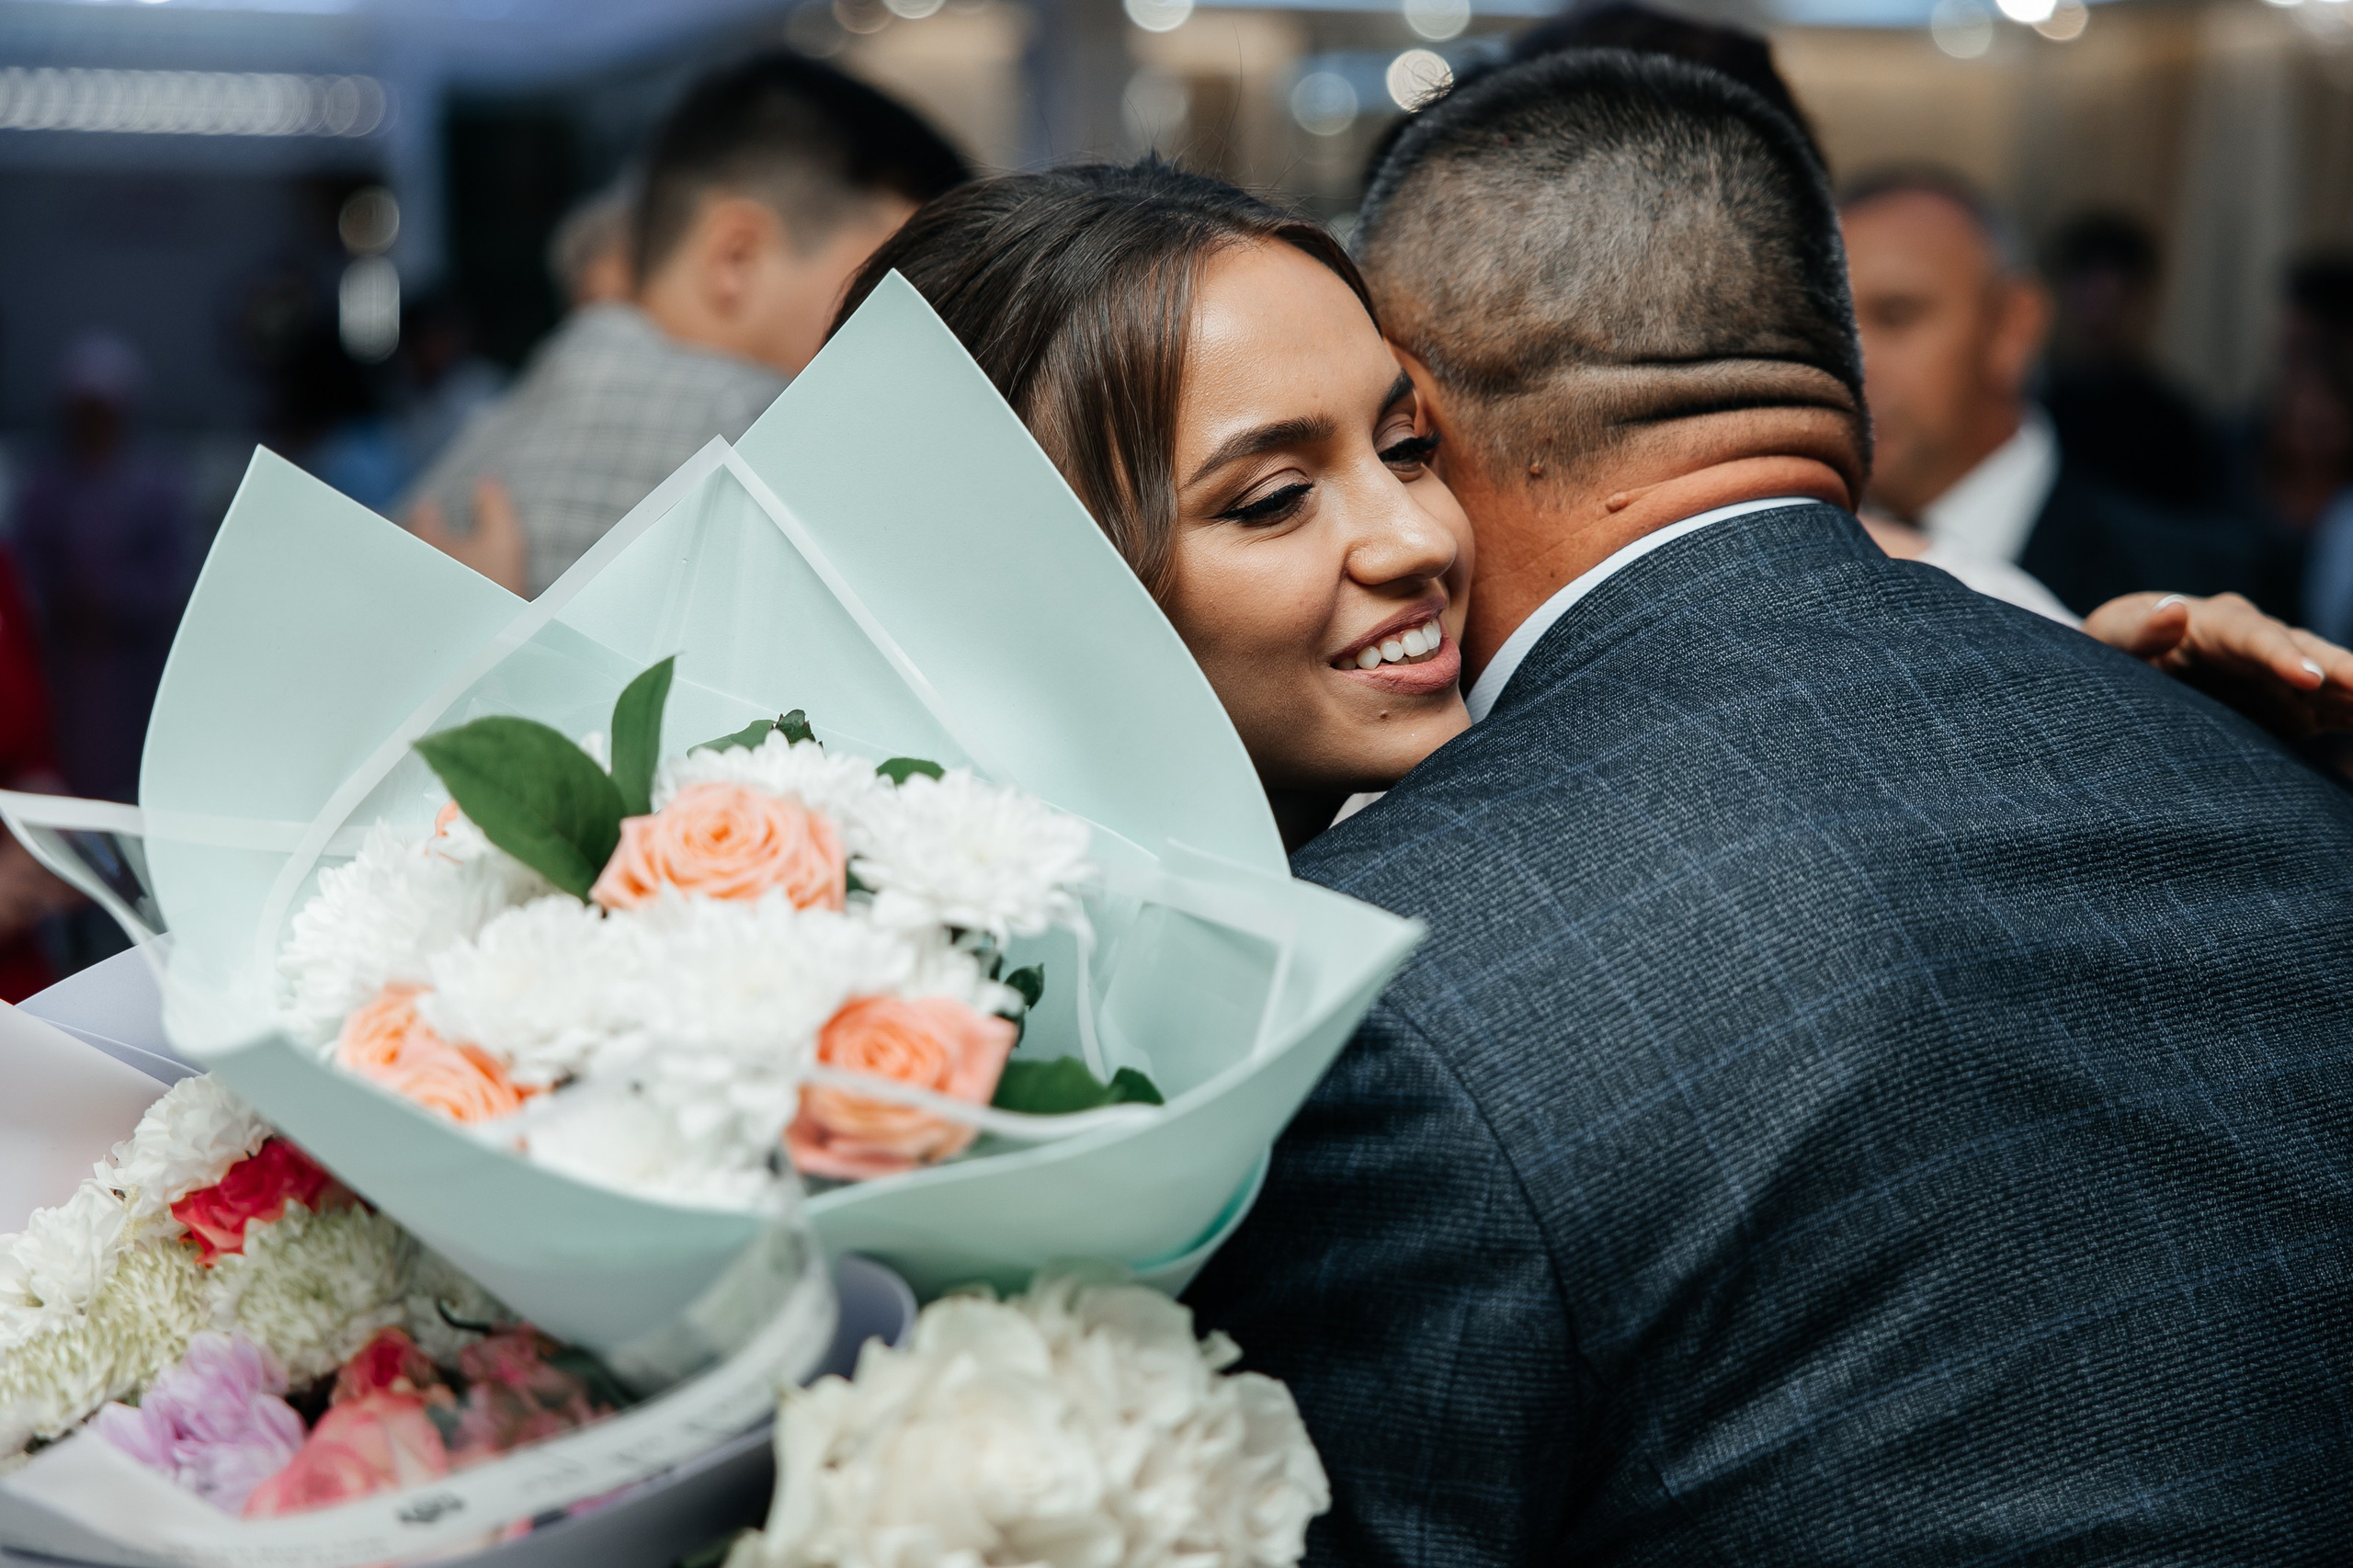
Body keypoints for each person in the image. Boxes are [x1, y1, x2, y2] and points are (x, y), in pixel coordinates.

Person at [851, 65, 2353, 1563]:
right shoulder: (1320, 998)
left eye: (1405, 443)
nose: (1415, 531)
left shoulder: (1420, 967)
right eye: (1270, 496)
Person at [401, 52, 969, 597]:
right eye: (890, 285)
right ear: (735, 259)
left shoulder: (463, 460)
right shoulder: (780, 448)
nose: (918, 334)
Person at [1841, 169, 2286, 619]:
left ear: (2014, 327)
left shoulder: (2200, 589)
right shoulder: (1791, 576)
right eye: (1826, 329)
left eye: (1896, 316)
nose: (1849, 362)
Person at [9, 333, 191, 804]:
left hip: (134, 665)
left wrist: (115, 600)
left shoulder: (157, 483)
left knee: (135, 777)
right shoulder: (46, 485)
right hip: (66, 665)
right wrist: (61, 601)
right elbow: (24, 571)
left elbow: (175, 573)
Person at [2041, 209, 2227, 512]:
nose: (2099, 316)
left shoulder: (2171, 422)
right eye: (2089, 299)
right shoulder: (2029, 402)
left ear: (2141, 303)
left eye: (2113, 301)